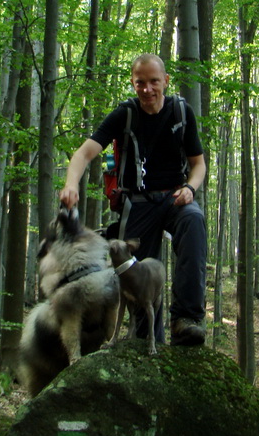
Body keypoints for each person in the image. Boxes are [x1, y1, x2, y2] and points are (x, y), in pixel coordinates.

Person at [59, 54, 207, 347]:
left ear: (165, 81)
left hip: (175, 198)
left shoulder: (181, 112)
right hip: (137, 204)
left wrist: (190, 188)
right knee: (136, 276)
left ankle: (186, 319)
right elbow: (84, 153)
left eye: (154, 82)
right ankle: (148, 340)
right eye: (141, 82)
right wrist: (70, 184)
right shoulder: (124, 115)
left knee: (193, 220)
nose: (148, 89)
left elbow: (198, 164)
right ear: (133, 83)